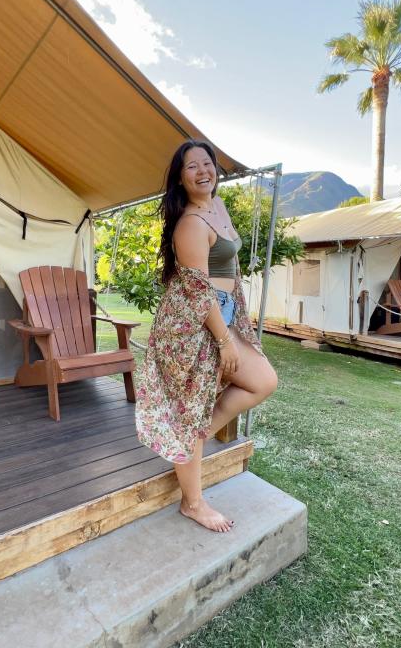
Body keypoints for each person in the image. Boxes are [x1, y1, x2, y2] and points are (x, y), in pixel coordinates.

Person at [135, 140, 278, 532]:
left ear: (216, 169)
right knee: (192, 410)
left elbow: (227, 274)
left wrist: (234, 327)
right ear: (180, 179)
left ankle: (188, 439)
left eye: (206, 163)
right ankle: (193, 502)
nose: (202, 171)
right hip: (193, 324)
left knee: (263, 381)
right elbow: (198, 290)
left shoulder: (217, 207)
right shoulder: (190, 224)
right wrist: (224, 340)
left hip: (222, 315)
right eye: (191, 166)